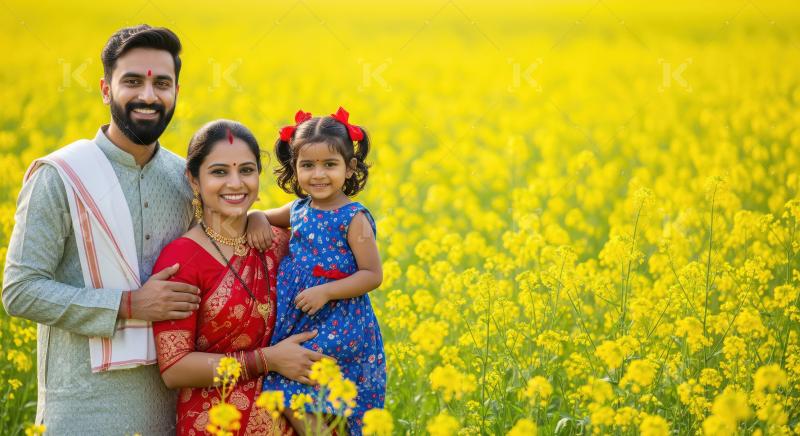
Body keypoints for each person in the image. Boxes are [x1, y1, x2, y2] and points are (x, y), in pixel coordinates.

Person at [1, 25, 272, 434]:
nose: (148, 96)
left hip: (178, 408)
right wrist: (128, 305)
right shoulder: (61, 176)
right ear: (106, 89)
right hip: (83, 411)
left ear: (176, 91)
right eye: (132, 81)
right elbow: (19, 291)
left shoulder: (186, 178)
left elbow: (227, 228)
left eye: (162, 83)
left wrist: (259, 217)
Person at [152, 119, 331, 435]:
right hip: (218, 424)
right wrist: (268, 360)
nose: (235, 183)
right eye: (219, 172)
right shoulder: (182, 260)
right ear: (193, 179)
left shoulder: (282, 242)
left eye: (246, 170)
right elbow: (175, 369)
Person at [260, 108, 386, 435]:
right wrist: (256, 219)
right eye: (307, 165)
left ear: (350, 168)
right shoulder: (298, 209)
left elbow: (372, 274)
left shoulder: (353, 217)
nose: (318, 174)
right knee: (293, 393)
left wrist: (326, 291)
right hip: (302, 319)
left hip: (340, 322)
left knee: (295, 394)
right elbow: (260, 216)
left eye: (329, 165)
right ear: (294, 168)